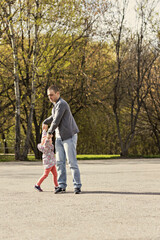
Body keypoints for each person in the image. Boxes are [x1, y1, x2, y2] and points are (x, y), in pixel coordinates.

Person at [43, 84, 82, 194]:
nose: (50, 97)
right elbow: (53, 117)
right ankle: (61, 185)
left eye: (51, 95)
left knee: (71, 162)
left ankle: (77, 186)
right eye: (48, 95)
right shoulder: (55, 105)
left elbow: (56, 120)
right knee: (60, 162)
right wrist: (45, 122)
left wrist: (49, 132)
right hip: (59, 137)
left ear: (58, 94)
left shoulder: (62, 104)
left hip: (69, 136)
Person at [34, 124, 58, 192]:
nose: (51, 140)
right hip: (48, 162)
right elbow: (46, 140)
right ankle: (37, 185)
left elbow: (43, 136)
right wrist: (48, 137)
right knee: (45, 174)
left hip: (52, 162)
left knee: (55, 174)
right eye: (50, 139)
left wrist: (44, 129)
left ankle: (56, 186)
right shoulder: (46, 146)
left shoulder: (46, 142)